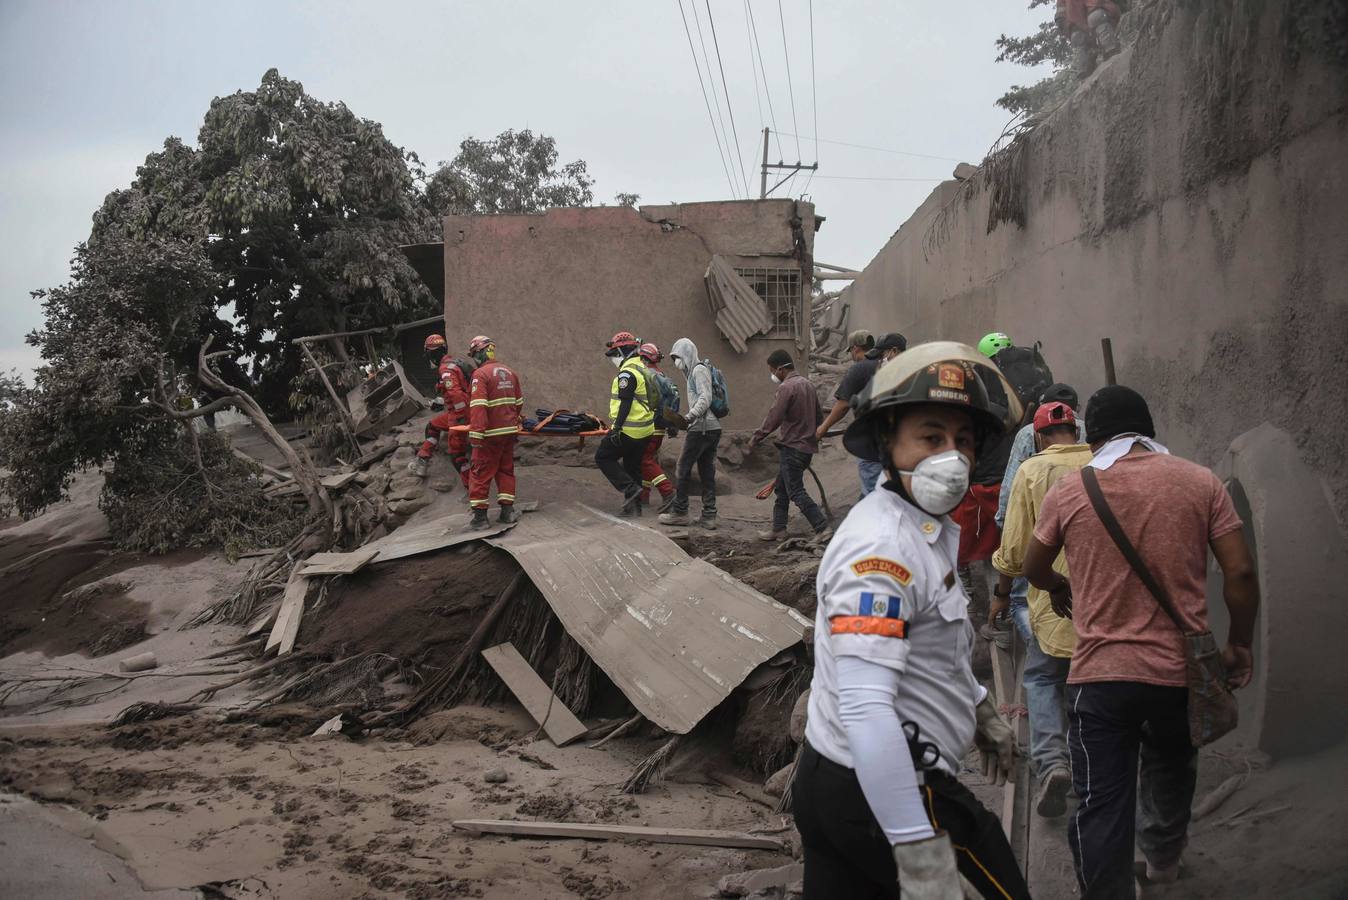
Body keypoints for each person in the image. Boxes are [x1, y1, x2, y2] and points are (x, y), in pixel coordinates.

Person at [793, 341, 1028, 899]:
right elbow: (867, 707)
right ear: (885, 441)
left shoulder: (925, 530)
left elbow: (932, 647)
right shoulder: (879, 555)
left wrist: (977, 708)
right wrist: (917, 852)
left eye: (963, 441)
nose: (952, 456)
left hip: (843, 782)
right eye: (930, 437)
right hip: (886, 791)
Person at [1025, 385, 1259, 897]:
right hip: (1179, 672)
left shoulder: (1071, 491)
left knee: (1101, 801)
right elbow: (1239, 573)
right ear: (1148, 430)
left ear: (1094, 436)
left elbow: (1032, 565)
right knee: (1172, 770)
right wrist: (1240, 644)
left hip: (1100, 678)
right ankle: (1162, 866)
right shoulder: (1201, 483)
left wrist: (1059, 586)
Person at [990, 400, 1092, 819]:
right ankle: (1090, 772)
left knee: (1042, 676)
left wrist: (1000, 593)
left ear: (1036, 436)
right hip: (1103, 599)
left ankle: (1052, 763)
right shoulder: (1102, 463)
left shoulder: (1031, 471)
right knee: (1087, 683)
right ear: (1078, 431)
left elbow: (1014, 550)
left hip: (1054, 596)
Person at [984, 383, 1084, 644]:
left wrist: (1001, 591)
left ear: (1040, 436)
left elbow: (1008, 509)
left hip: (1039, 549)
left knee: (1022, 605)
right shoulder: (1096, 450)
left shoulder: (1030, 449)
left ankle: (1036, 647)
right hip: (1087, 561)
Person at [748, 350, 830, 542]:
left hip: (792, 447)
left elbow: (774, 416)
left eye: (772, 371)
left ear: (781, 368)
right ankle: (779, 529)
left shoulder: (787, 387)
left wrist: (757, 437)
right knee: (782, 489)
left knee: (796, 491)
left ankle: (822, 527)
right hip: (805, 448)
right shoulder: (808, 385)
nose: (773, 375)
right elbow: (818, 415)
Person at [659, 337, 721, 530]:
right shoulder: (694, 372)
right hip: (710, 428)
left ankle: (680, 512)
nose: (676, 361)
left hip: (702, 427)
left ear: (687, 354)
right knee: (706, 471)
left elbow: (706, 398)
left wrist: (688, 417)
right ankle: (709, 515)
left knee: (682, 468)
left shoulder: (698, 370)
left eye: (678, 357)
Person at [816, 330, 885, 497]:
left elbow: (842, 405)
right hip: (892, 435)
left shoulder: (858, 369)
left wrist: (822, 428)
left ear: (855, 349)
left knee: (872, 493)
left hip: (870, 439)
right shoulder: (885, 364)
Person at [596, 331, 657, 517]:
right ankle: (635, 507)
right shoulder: (644, 369)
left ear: (622, 352)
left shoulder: (627, 373)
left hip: (630, 429)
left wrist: (617, 428)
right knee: (633, 466)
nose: (613, 359)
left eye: (614, 355)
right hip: (646, 429)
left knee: (603, 457)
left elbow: (626, 402)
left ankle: (630, 489)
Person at [465, 335, 523, 529]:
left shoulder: (480, 375)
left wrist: (476, 433)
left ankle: (480, 519)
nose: (474, 358)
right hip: (508, 432)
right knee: (505, 470)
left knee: (480, 471)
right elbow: (519, 404)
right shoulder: (510, 372)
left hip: (489, 435)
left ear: (481, 352)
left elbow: (478, 406)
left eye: (474, 354)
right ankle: (507, 512)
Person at [409, 333, 473, 489]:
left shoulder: (445, 369)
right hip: (468, 409)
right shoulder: (457, 363)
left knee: (457, 456)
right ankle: (422, 460)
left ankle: (472, 490)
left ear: (432, 354)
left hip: (461, 415)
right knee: (432, 426)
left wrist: (460, 419)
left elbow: (456, 394)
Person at [636, 342, 677, 513]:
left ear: (643, 358)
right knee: (647, 459)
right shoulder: (663, 376)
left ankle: (668, 491)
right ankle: (643, 496)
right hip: (661, 424)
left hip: (650, 424)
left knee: (644, 459)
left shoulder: (647, 375)